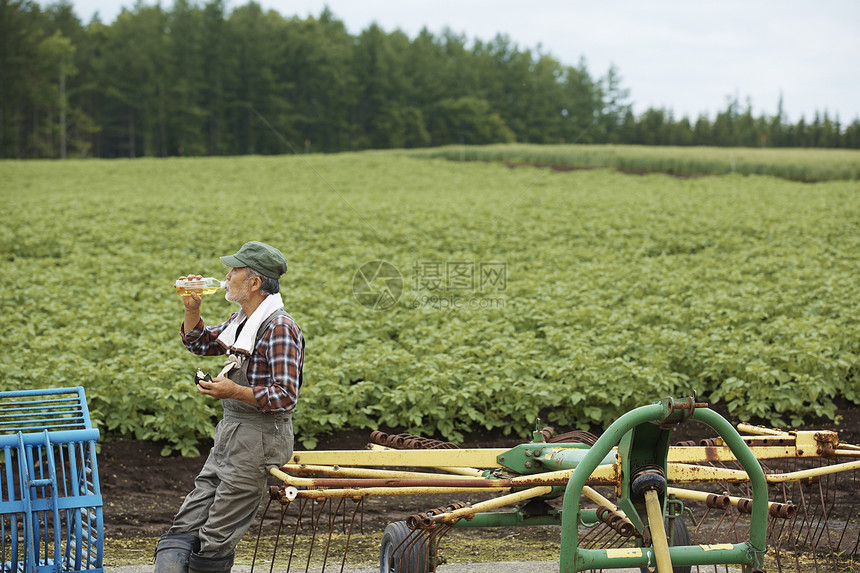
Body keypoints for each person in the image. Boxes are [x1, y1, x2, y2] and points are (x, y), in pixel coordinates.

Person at [154, 241, 304, 573]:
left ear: (254, 283)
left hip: (260, 439)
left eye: (234, 270)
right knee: (186, 523)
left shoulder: (279, 327)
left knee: (216, 534)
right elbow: (201, 343)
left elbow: (285, 396)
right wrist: (191, 308)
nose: (226, 276)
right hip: (232, 432)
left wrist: (234, 390)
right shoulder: (242, 320)